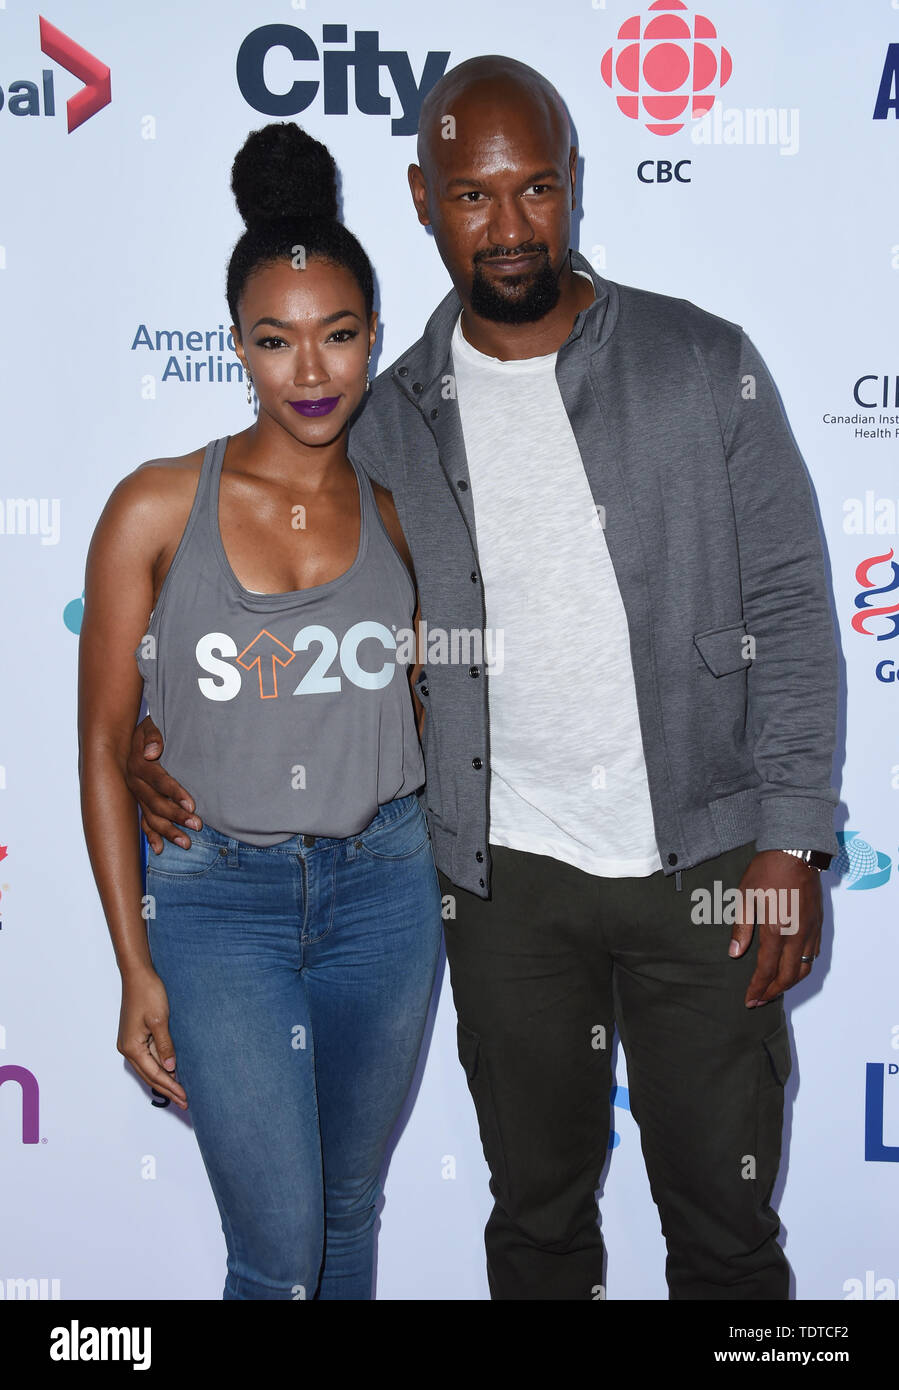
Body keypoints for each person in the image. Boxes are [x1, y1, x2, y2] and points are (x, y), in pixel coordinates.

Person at [125, 57, 839, 1301]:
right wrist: (159, 743)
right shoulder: (383, 416)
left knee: (727, 1234)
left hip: (709, 869)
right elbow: (287, 611)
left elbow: (787, 602)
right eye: (472, 196)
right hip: (501, 887)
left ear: (572, 189)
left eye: (535, 191)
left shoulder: (698, 361)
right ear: (420, 199)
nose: (508, 228)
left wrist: (788, 843)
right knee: (537, 1224)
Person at [78, 122, 442, 1301]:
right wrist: (135, 969)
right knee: (278, 1252)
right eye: (275, 341)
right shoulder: (151, 506)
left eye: (338, 336)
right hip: (215, 901)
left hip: (383, 895)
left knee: (347, 1211)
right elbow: (98, 744)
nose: (311, 371)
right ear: (233, 344)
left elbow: (436, 700)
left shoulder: (402, 508)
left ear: (373, 338)